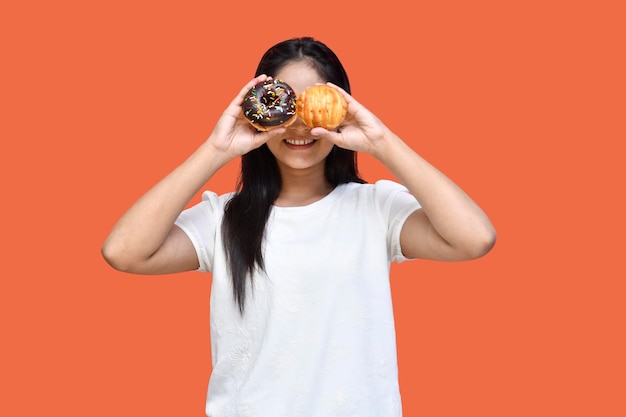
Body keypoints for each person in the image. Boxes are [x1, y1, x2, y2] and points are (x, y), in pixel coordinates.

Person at [102, 36, 496, 417]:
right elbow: (124, 251)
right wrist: (216, 150)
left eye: (313, 105)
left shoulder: (375, 208)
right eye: (284, 105)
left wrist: (381, 142)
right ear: (260, 112)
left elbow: (474, 238)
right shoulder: (225, 219)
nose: (300, 125)